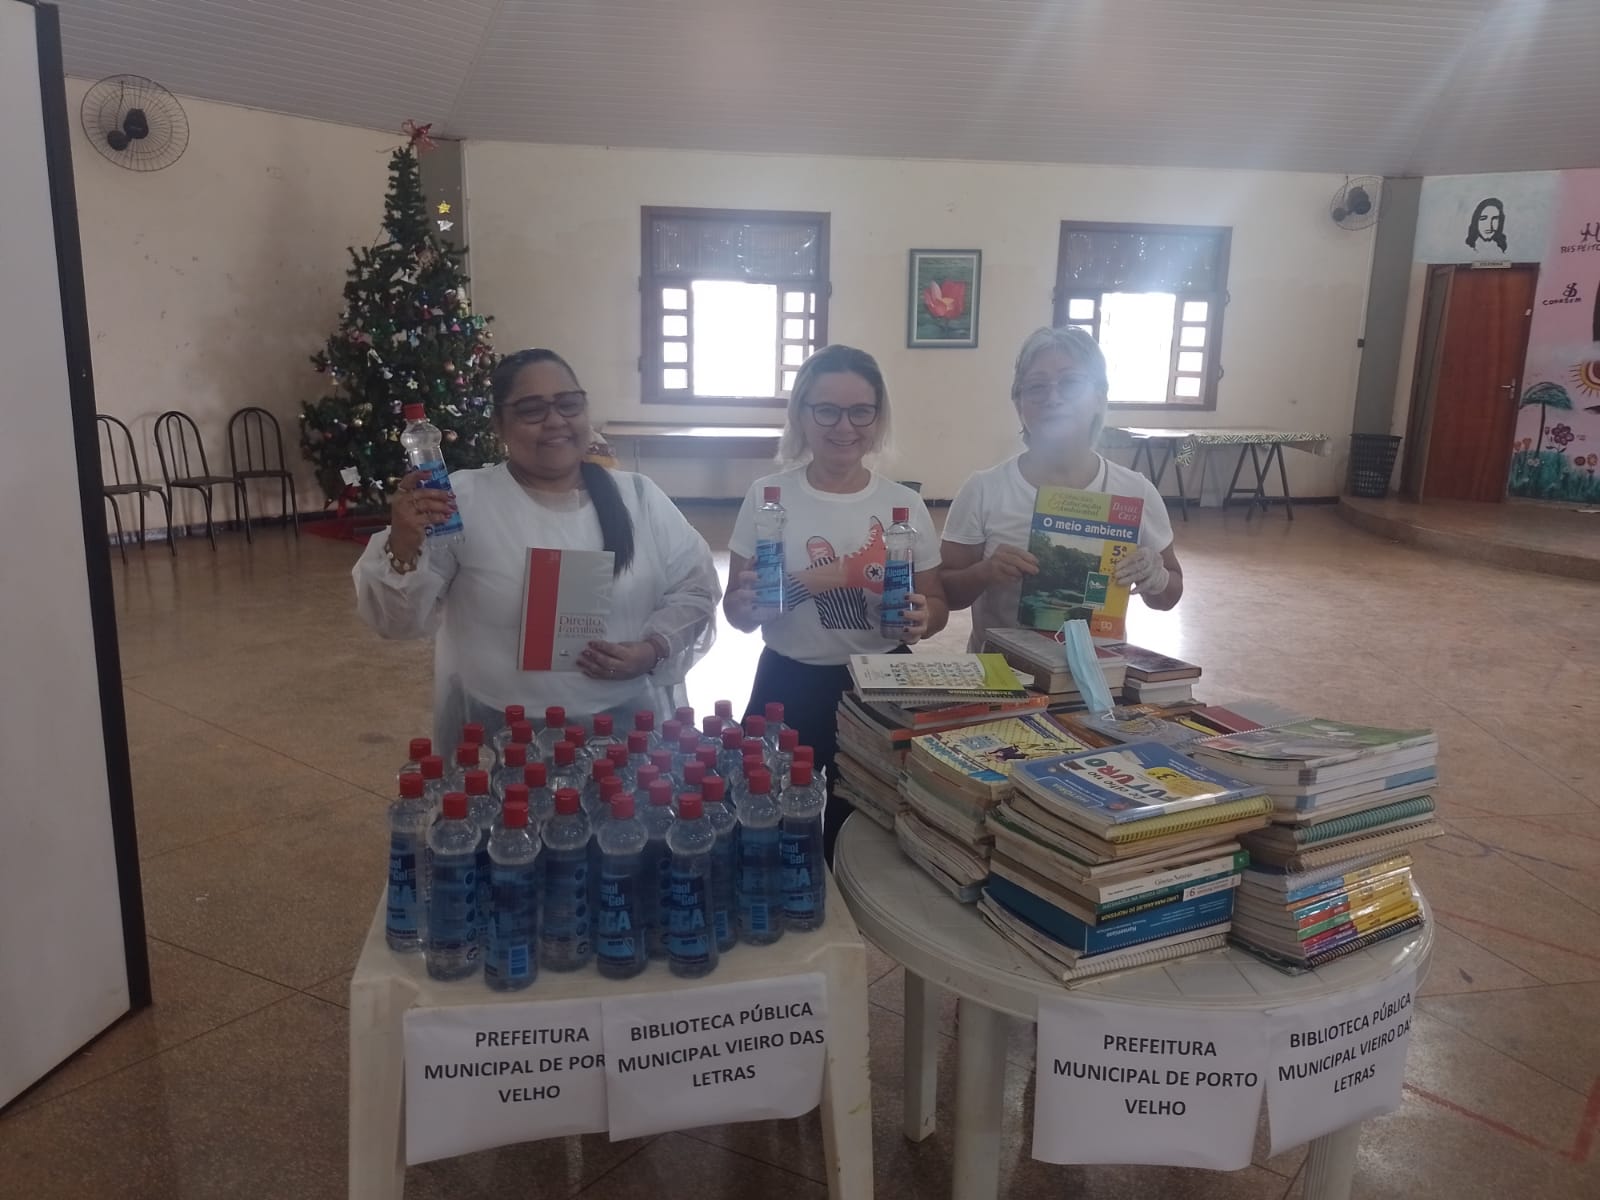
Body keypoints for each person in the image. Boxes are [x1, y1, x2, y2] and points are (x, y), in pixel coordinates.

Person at [353, 348, 720, 751]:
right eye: (531, 410)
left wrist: (653, 649)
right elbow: (397, 623)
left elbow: (695, 588)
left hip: (622, 724)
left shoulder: (638, 496)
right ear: (499, 424)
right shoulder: (462, 501)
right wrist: (403, 544)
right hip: (500, 731)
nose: (556, 421)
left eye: (569, 404)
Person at [724, 344, 947, 858]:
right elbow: (735, 611)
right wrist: (748, 607)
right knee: (776, 823)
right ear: (801, 414)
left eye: (860, 411)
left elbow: (937, 604)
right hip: (788, 678)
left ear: (878, 416)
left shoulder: (903, 504)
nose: (844, 426)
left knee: (861, 830)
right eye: (826, 409)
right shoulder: (768, 496)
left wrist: (923, 617)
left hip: (879, 682)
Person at [941, 326, 1183, 653]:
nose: (1053, 398)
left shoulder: (1134, 491)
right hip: (1003, 678)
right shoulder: (984, 489)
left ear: (1099, 398)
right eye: (1037, 387)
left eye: (1070, 383)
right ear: (1019, 404)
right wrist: (984, 573)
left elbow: (1168, 598)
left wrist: (1157, 577)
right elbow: (943, 593)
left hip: (1097, 676)